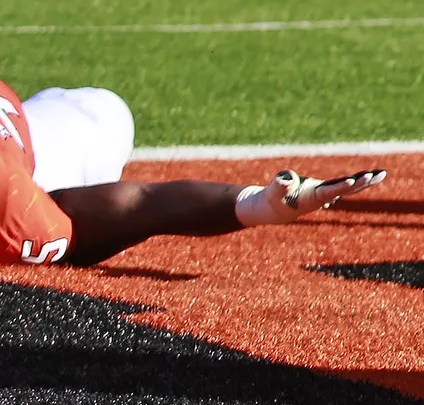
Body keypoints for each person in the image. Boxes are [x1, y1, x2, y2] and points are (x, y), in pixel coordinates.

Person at [4, 77, 383, 268]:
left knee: (104, 112)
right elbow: (133, 206)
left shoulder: (17, 209)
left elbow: (137, 206)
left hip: (42, 141)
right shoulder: (15, 205)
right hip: (28, 153)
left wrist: (256, 205)